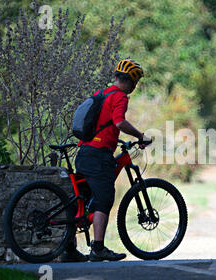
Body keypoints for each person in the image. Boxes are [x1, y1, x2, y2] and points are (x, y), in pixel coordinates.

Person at [60, 58, 151, 262]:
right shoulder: (120, 96)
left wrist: (115, 140)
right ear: (131, 81)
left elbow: (104, 125)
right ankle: (98, 249)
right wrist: (140, 136)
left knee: (80, 202)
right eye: (135, 82)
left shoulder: (101, 93)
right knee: (104, 199)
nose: (135, 87)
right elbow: (119, 121)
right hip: (97, 157)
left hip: (84, 153)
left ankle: (68, 249)